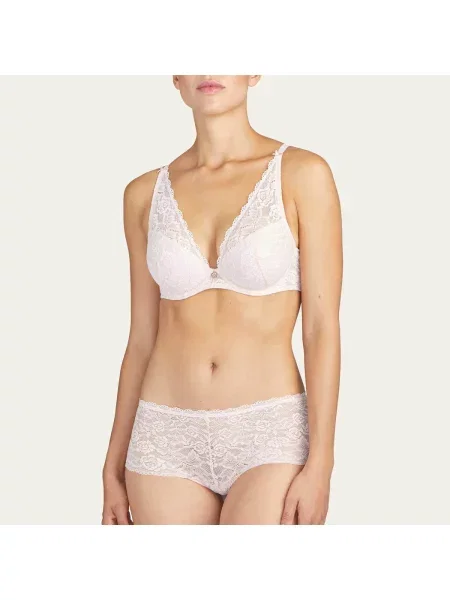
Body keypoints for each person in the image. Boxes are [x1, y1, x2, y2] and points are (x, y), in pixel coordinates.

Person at [102, 75, 343, 525]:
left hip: (268, 433)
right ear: (176, 77)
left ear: (253, 71)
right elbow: (140, 339)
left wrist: (322, 462)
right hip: (163, 437)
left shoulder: (302, 174)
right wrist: (112, 467)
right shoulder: (143, 194)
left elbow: (321, 328)